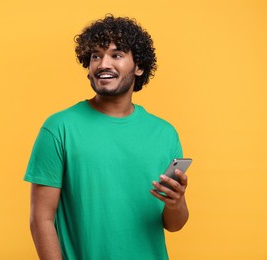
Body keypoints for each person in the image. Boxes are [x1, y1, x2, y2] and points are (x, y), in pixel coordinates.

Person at [24, 14, 189, 260]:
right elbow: (41, 219)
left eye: (117, 55)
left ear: (139, 66)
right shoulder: (59, 128)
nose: (103, 64)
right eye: (96, 56)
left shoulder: (164, 133)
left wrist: (176, 203)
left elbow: (174, 224)